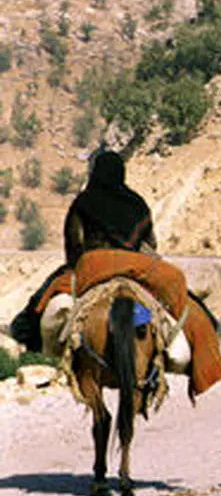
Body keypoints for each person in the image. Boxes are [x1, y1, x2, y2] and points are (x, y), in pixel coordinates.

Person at [11, 150, 156, 351]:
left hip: (93, 266)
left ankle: (26, 335)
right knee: (179, 293)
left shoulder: (84, 202)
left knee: (42, 299)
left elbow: (74, 245)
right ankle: (207, 326)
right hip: (134, 267)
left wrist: (77, 264)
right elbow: (150, 245)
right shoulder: (138, 204)